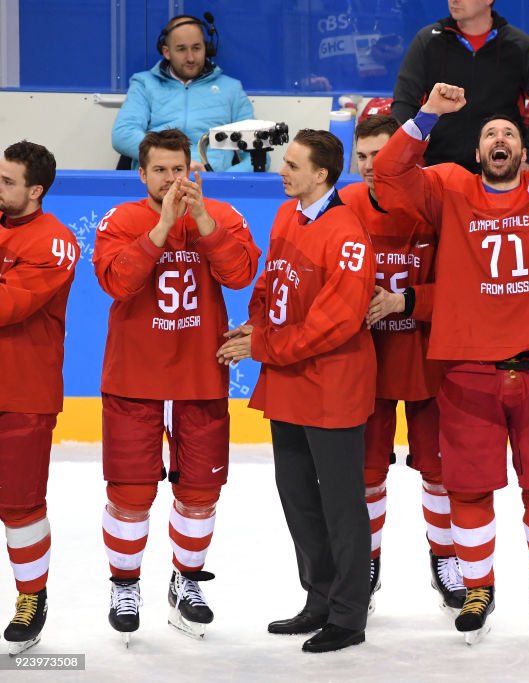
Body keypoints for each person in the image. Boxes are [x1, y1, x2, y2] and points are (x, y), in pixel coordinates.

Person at [374, 81, 529, 645]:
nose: (498, 140)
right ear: (476, 152)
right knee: (468, 490)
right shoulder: (450, 187)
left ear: (524, 151)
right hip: (468, 371)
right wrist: (426, 116)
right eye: (490, 134)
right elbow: (390, 175)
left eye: (509, 134)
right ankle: (477, 586)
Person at [92, 129, 260, 643]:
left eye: (178, 169)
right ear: (141, 174)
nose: (170, 180)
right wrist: (162, 228)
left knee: (201, 490)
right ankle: (125, 585)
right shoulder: (121, 220)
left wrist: (203, 222)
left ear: (193, 170)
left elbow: (241, 274)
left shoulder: (222, 216)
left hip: (200, 376)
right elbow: (117, 283)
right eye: (160, 170)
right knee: (130, 491)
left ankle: (186, 581)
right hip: (134, 379)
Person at [217, 129, 377, 654]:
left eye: (291, 164)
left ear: (321, 175)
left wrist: (261, 343)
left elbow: (333, 325)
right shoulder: (289, 215)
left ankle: (350, 614)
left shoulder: (348, 235)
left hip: (332, 386)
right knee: (298, 499)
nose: (281, 171)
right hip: (289, 382)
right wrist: (253, 324)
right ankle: (320, 598)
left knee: (340, 504)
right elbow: (269, 283)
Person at [340, 114, 464, 616]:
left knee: (439, 469)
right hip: (364, 362)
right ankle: (366, 563)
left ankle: (447, 556)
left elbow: (464, 289)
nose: (373, 167)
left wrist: (408, 301)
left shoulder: (438, 205)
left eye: (383, 154)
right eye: (364, 156)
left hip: (429, 358)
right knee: (367, 471)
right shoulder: (342, 206)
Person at [0, 141, 76, 655]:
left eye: (7, 182)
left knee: (20, 505)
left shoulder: (56, 242)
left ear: (35, 190)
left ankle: (32, 596)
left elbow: (7, 306)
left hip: (22, 393)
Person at [391, 0, 529, 171]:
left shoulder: (520, 46)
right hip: (438, 168)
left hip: (499, 171)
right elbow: (404, 102)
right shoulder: (428, 41)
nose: (454, 0)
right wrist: (409, 153)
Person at [112, 14, 254, 172]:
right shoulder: (144, 84)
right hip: (158, 180)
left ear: (206, 48)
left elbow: (256, 154)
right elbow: (122, 135)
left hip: (211, 184)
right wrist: (176, 163)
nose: (191, 58)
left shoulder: (231, 89)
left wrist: (221, 179)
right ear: (167, 52)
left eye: (196, 48)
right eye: (181, 49)